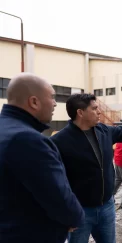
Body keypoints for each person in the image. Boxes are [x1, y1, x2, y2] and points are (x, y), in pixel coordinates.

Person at [50, 93, 122, 243]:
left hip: (107, 207)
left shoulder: (104, 131)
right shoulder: (59, 142)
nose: (99, 111)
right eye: (94, 108)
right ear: (80, 112)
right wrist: (64, 213)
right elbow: (54, 182)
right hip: (80, 212)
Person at [0, 73, 84, 243]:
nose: (54, 103)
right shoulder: (27, 139)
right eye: (52, 97)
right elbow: (58, 197)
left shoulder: (6, 129)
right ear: (34, 102)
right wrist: (75, 218)